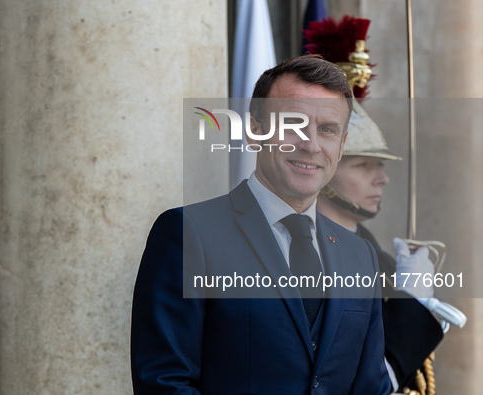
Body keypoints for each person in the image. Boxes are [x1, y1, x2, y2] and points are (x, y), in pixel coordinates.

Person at [131, 55, 390, 394]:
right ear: (255, 131)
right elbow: (163, 384)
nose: (310, 145)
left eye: (327, 130)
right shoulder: (187, 233)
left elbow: (371, 388)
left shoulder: (360, 255)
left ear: (340, 147)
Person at [305, 15, 445, 394]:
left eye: (380, 166)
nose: (380, 179)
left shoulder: (376, 257)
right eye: (364, 165)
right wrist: (414, 305)